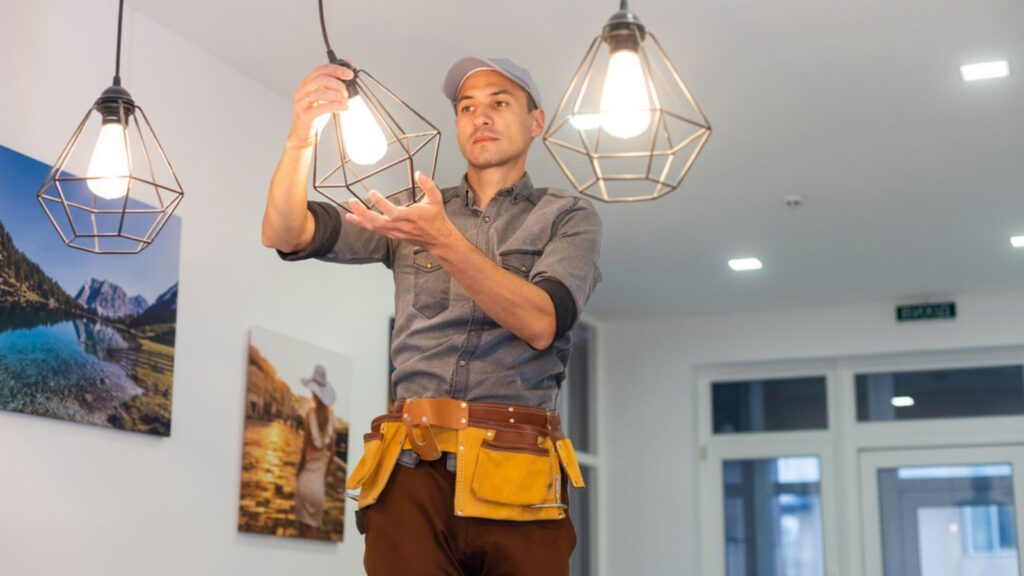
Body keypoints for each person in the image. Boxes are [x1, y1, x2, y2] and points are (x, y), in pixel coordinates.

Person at [262, 56, 601, 575]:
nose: (480, 117)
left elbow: (541, 323)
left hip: (519, 470)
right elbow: (286, 233)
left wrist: (443, 240)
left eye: (499, 102)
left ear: (536, 122)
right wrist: (301, 136)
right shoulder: (412, 211)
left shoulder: (566, 216)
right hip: (410, 468)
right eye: (467, 107)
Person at [294, 364, 337, 540]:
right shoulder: (331, 417)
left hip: (305, 481)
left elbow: (304, 451)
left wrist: (298, 473)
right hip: (318, 487)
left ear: (313, 392)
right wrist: (324, 477)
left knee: (302, 533)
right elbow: (332, 452)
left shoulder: (309, 415)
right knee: (314, 535)